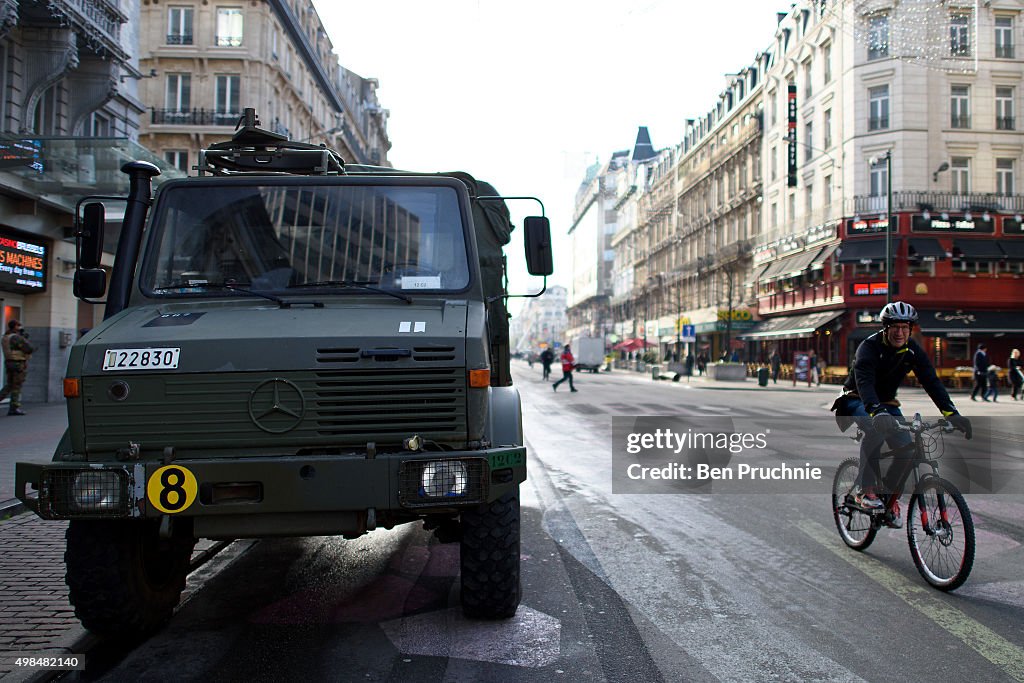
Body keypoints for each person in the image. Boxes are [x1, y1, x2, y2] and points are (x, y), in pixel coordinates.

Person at [837, 301, 971, 528]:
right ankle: (865, 490)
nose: (900, 332)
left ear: (911, 329)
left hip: (887, 403)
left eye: (905, 327)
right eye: (895, 327)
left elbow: (931, 381)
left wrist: (952, 413)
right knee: (875, 429)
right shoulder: (868, 347)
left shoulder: (912, 350)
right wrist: (876, 411)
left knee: (907, 448)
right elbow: (865, 383)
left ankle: (887, 497)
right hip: (856, 399)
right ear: (886, 328)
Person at [1, 319, 34, 416]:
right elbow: (28, 348)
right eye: (18, 325)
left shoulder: (5, 337)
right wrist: (24, 338)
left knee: (10, 385)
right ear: (15, 326)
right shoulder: (15, 337)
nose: (20, 327)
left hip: (9, 363)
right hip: (17, 364)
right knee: (16, 385)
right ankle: (14, 407)